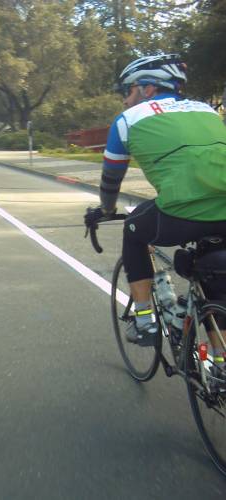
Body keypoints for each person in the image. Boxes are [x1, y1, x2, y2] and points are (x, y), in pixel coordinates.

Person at [84, 54, 226, 375]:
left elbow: (111, 181)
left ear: (147, 88)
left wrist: (106, 210)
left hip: (183, 211)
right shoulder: (207, 110)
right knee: (217, 281)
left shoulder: (128, 120)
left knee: (134, 230)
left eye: (128, 89)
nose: (124, 97)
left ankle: (145, 318)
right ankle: (221, 366)